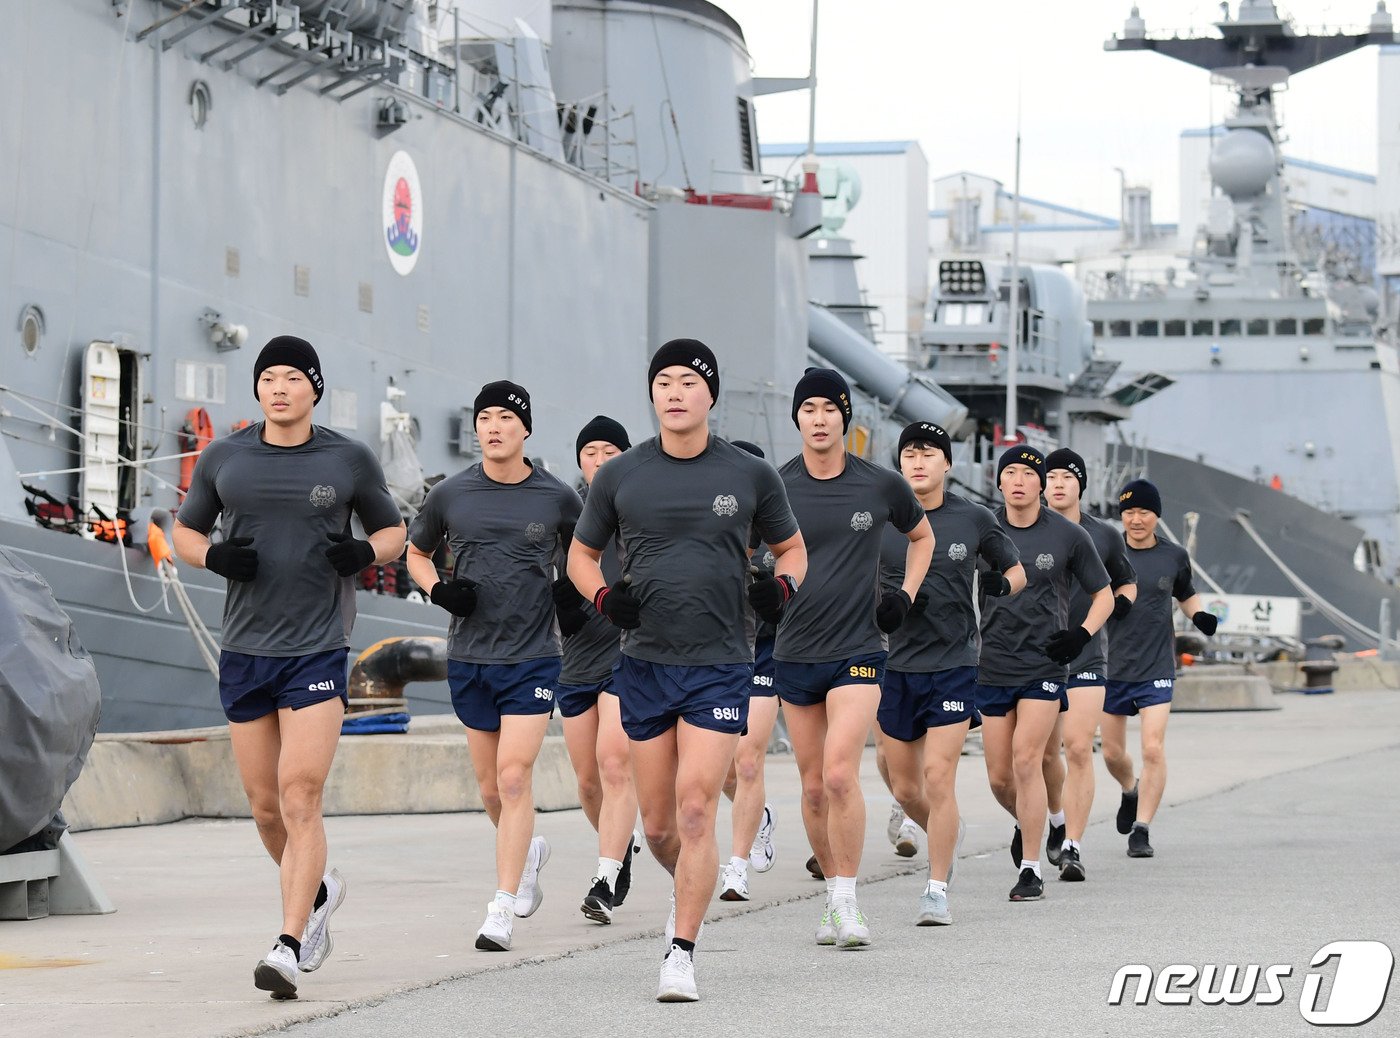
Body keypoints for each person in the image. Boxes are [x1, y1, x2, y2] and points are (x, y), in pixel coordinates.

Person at [568, 339, 806, 1002]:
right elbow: (581, 559)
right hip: (643, 665)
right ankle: (687, 890)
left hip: (721, 663)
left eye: (688, 382)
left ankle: (682, 949)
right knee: (661, 827)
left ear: (710, 395)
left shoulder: (750, 476)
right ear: (652, 395)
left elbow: (792, 550)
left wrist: (780, 591)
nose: (674, 392)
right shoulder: (620, 476)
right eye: (663, 381)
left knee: (698, 808)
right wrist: (606, 598)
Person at [173, 335, 406, 999]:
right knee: (266, 807)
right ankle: (321, 892)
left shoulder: (348, 458)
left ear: (314, 388)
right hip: (246, 650)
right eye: (268, 378)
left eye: (291, 378)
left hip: (316, 647)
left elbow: (392, 532)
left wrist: (363, 553)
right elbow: (188, 530)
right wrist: (211, 557)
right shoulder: (226, 457)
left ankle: (288, 941)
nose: (279, 388)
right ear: (258, 390)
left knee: (300, 791)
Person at [405, 381, 582, 953]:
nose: (494, 427)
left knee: (513, 777)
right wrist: (439, 591)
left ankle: (501, 907)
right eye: (485, 417)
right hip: (471, 656)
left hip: (532, 657)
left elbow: (585, 555)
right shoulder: (451, 494)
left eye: (506, 417)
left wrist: (574, 597)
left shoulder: (557, 498)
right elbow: (416, 552)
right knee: (489, 790)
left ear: (525, 429)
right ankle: (526, 850)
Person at [774, 368, 933, 948]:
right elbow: (738, 547)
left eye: (828, 408)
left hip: (859, 649)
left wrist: (904, 595)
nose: (818, 418)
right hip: (793, 649)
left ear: (846, 416)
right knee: (814, 787)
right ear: (797, 417)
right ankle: (830, 899)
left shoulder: (879, 484)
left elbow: (923, 539)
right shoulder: (774, 485)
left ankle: (847, 899)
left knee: (841, 771)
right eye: (808, 408)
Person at [875, 422, 1024, 925]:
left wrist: (1000, 587)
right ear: (899, 464)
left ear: (948, 465)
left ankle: (936, 888)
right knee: (906, 789)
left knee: (939, 776)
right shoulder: (880, 519)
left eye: (929, 453)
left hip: (955, 663)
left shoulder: (973, 518)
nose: (918, 462)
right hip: (894, 665)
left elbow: (1015, 569)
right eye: (910, 454)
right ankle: (947, 829)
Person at [977, 444, 1112, 902]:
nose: (1018, 480)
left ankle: (1031, 869)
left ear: (1041, 484)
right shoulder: (983, 528)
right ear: (998, 482)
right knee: (999, 777)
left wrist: (1081, 635)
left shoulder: (1068, 535)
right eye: (1008, 472)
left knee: (1026, 759)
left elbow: (1105, 595)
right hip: (992, 663)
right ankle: (1041, 821)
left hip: (1045, 665)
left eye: (1027, 473)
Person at [552, 416, 642, 925]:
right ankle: (620, 845)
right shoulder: (571, 518)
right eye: (591, 451)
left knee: (614, 762)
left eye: (611, 450)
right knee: (588, 783)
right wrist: (558, 599)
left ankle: (605, 877)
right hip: (578, 660)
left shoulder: (639, 514)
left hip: (627, 657)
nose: (600, 459)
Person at [1102, 478, 1217, 858]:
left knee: (1153, 748)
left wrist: (1199, 615)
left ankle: (1142, 828)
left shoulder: (1174, 555)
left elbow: (1185, 592)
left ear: (1156, 516)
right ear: (1122, 515)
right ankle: (1130, 790)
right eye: (1130, 512)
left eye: (1144, 513)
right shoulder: (1106, 552)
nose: (1136, 520)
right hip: (1112, 667)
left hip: (1156, 666)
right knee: (1113, 754)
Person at [1040, 448, 1137, 882]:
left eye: (1067, 476)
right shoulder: (1024, 529)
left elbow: (1126, 580)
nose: (1058, 483)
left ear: (1081, 484)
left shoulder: (1105, 536)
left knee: (1078, 747)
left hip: (1086, 655)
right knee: (1041, 757)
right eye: (1052, 476)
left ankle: (1074, 845)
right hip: (1034, 658)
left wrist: (1120, 605)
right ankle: (1054, 819)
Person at [717, 439, 781, 902]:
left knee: (747, 757)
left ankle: (736, 866)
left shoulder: (779, 532)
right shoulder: (712, 526)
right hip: (716, 654)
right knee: (722, 770)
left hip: (766, 653)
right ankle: (759, 816)